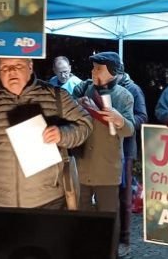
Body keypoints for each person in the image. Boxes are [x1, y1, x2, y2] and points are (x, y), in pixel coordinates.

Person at [0, 57, 92, 209]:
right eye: (5, 67)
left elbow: (85, 123)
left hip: (48, 202)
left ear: (30, 66)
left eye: (18, 65)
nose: (12, 71)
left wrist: (62, 134)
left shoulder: (56, 96)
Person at [71, 52, 134, 247]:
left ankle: (109, 251)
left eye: (98, 68)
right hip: (82, 164)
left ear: (112, 72)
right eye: (93, 68)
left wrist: (119, 119)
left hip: (107, 167)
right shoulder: (85, 90)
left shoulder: (124, 96)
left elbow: (129, 129)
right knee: (82, 216)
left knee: (108, 217)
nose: (93, 72)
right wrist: (78, 105)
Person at [115, 64, 148, 257]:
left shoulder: (133, 89)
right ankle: (111, 236)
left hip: (126, 150)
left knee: (124, 197)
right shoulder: (100, 88)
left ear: (118, 74)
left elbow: (142, 117)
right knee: (111, 197)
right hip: (107, 150)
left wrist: (122, 122)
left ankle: (125, 240)